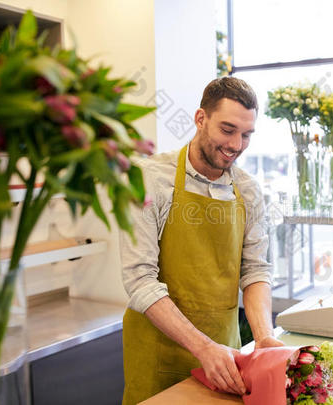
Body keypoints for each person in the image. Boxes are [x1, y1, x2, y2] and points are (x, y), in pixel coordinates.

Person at [119, 77, 283, 405]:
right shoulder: (150, 179)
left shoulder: (248, 191)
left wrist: (264, 337)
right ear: (200, 119)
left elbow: (255, 271)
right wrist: (203, 347)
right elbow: (139, 281)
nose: (237, 144)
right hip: (158, 358)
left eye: (246, 134)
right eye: (227, 129)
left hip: (227, 359)